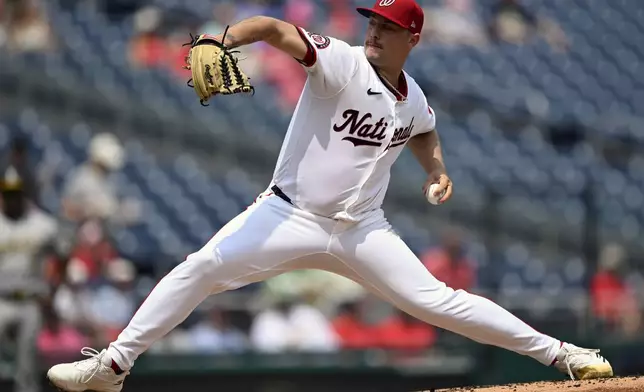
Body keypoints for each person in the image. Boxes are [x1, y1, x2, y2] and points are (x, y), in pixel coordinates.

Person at [46, 1, 612, 390]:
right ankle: (114, 364)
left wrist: (436, 170)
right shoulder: (342, 63)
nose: (375, 31)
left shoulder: (412, 96)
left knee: (442, 302)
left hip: (363, 230)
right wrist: (223, 40)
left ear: (412, 38)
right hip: (288, 215)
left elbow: (425, 128)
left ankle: (563, 354)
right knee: (201, 268)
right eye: (372, 21)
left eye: (387, 27)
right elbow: (271, 27)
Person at [0, 166, 58, 392]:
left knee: (27, 364)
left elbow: (61, 256)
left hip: (30, 300)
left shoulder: (42, 225)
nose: (11, 198)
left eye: (15, 193)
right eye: (7, 193)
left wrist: (52, 289)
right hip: (1, 299)